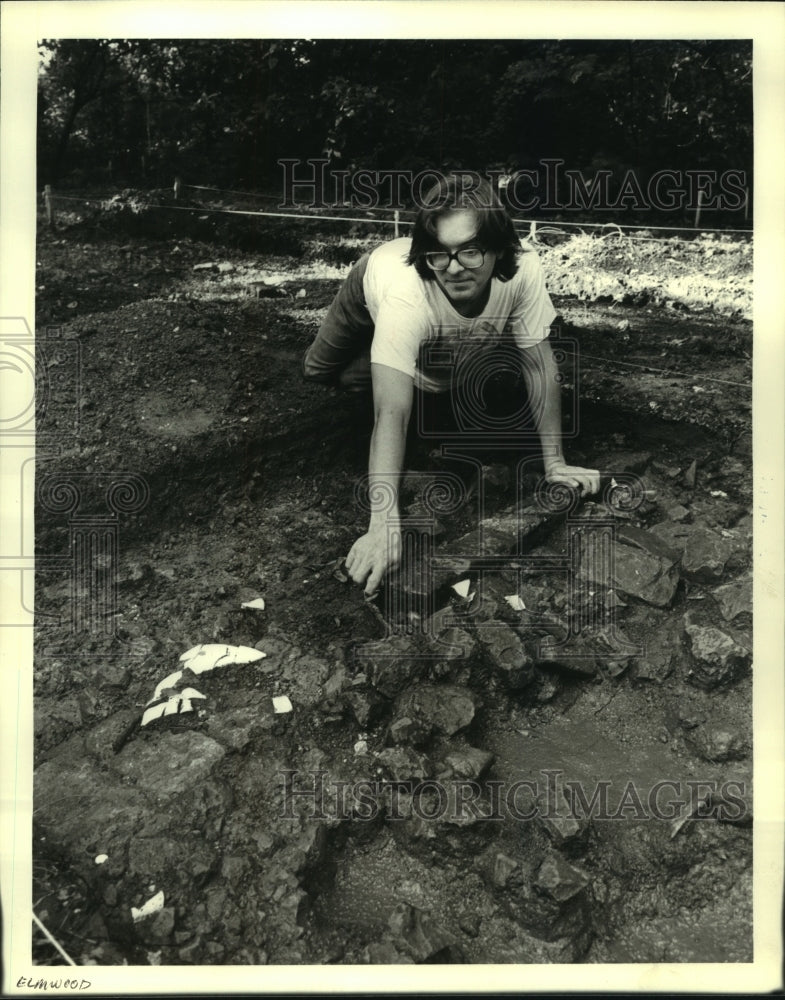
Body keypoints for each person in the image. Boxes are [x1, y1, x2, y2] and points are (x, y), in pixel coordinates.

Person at [303, 174, 599, 597]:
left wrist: (555, 463)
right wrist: (383, 525)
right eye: (440, 254)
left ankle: (390, 354)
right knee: (320, 371)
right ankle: (386, 348)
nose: (455, 267)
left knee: (426, 375)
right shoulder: (407, 293)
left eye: (471, 251)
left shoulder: (524, 271)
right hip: (374, 281)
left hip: (420, 327)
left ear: (498, 248)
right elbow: (393, 411)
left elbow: (538, 364)